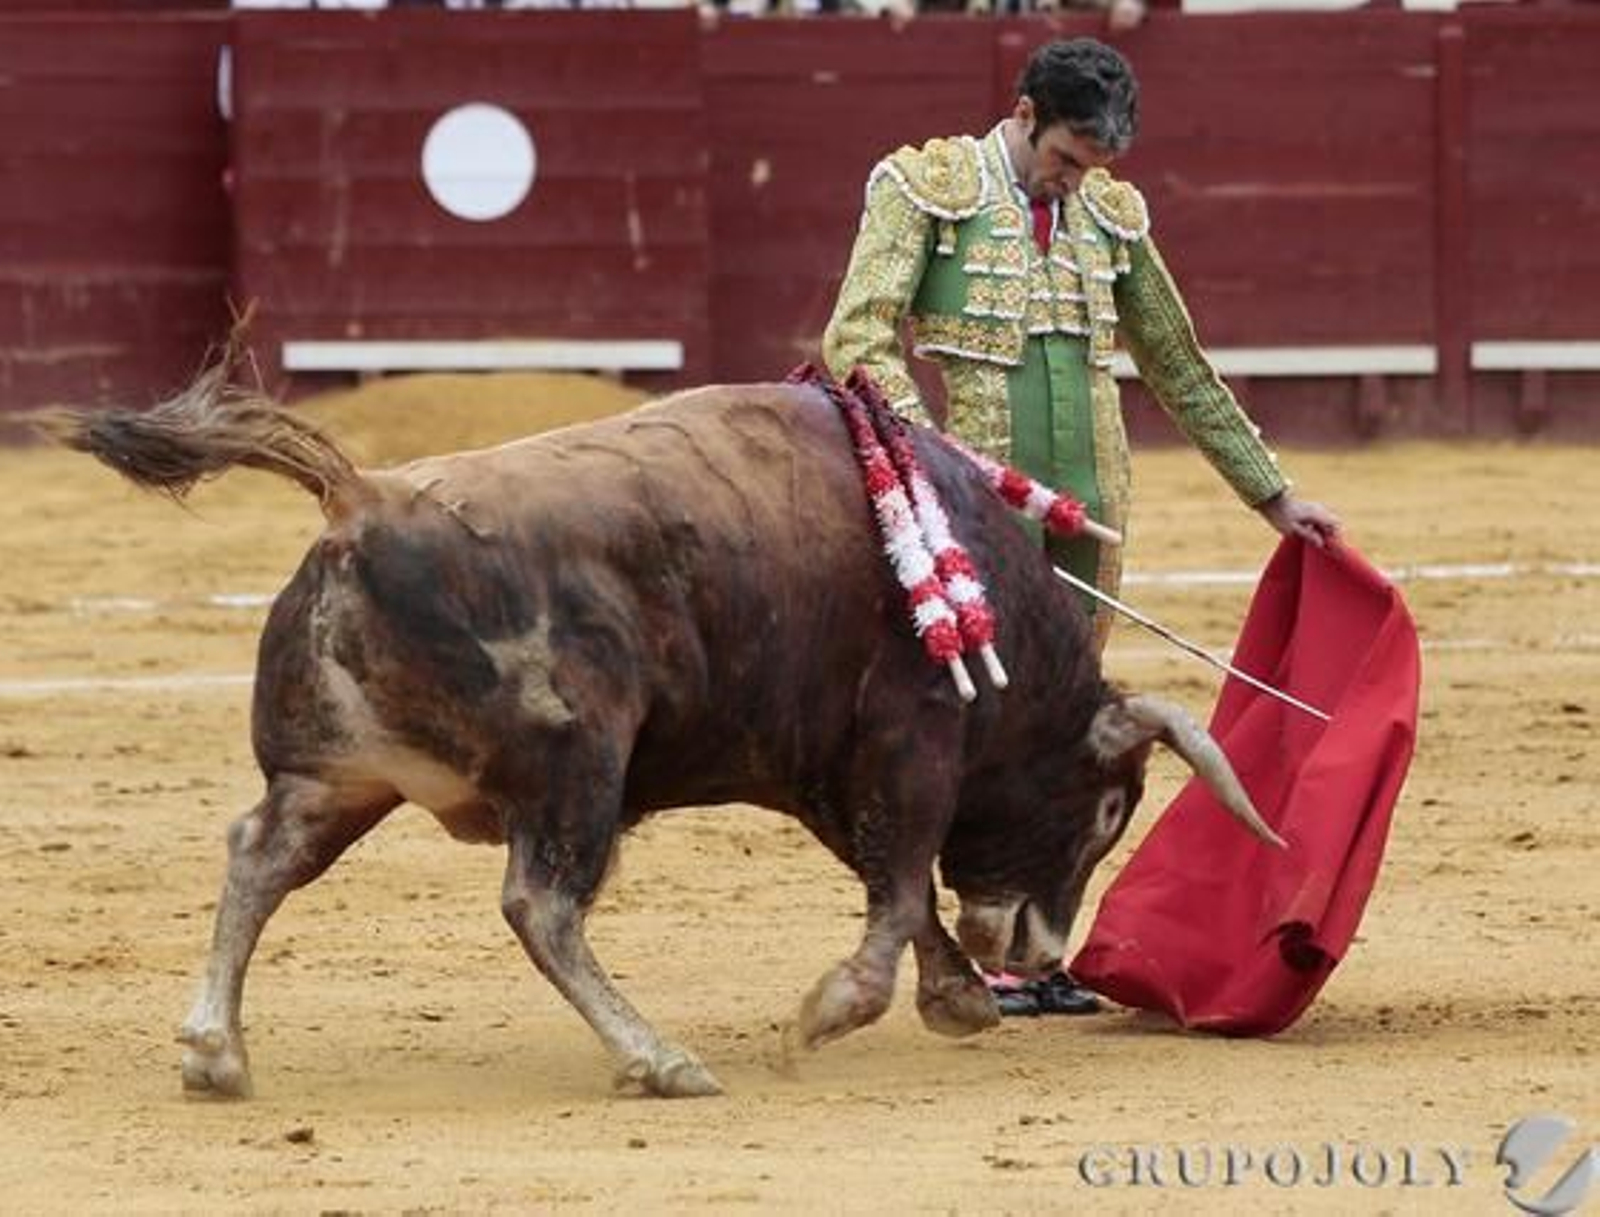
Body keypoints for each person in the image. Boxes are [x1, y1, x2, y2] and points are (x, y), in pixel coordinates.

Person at [821, 37, 1340, 1017]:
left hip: (1093, 513)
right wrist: (941, 462)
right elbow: (856, 337)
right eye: (1065, 158)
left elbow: (1179, 367)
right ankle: (970, 940)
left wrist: (1272, 495)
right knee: (974, 723)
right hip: (973, 512)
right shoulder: (923, 186)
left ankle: (1033, 945)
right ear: (1022, 114)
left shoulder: (1109, 213)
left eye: (1095, 166)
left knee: (1057, 735)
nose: (1076, 181)